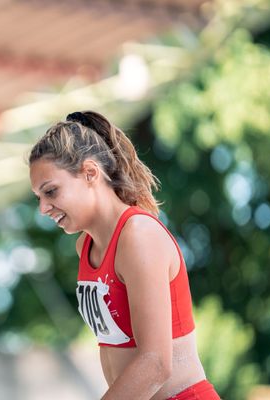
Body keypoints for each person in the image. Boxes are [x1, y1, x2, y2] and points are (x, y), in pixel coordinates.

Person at [28, 111, 220, 400]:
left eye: (51, 192)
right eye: (38, 197)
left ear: (90, 173)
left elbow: (155, 364)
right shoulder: (85, 247)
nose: (43, 208)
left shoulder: (138, 235)